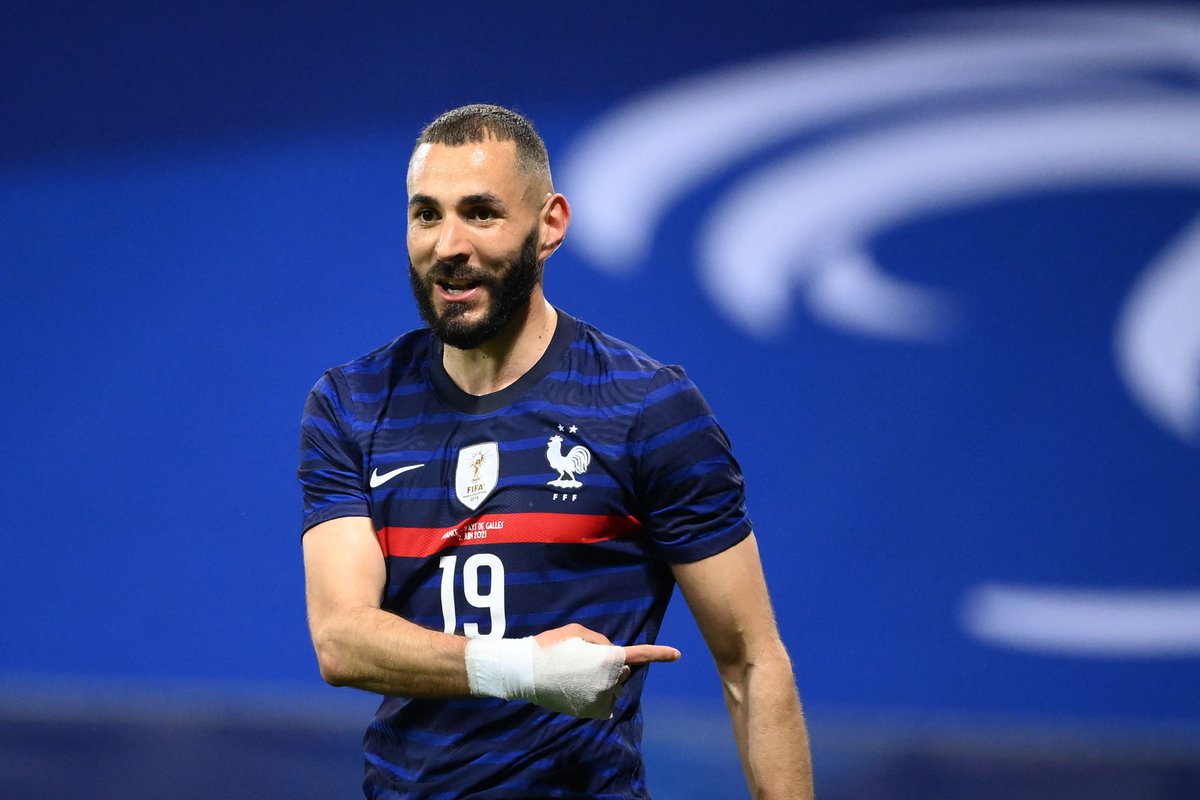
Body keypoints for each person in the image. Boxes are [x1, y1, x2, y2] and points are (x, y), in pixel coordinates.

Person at [298, 103, 813, 799]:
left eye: (481, 213)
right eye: (427, 215)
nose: (448, 244)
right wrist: (529, 670)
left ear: (550, 225)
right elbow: (341, 639)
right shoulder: (353, 402)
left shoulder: (646, 410)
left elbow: (751, 662)